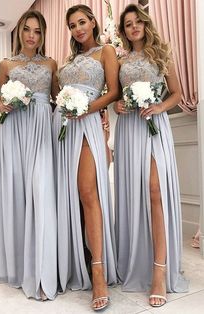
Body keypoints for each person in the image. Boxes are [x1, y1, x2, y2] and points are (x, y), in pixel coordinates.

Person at [114, 4, 189, 308]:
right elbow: (116, 96)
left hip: (154, 125)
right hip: (129, 129)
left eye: (137, 22)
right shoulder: (119, 61)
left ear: (145, 25)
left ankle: (159, 271)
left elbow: (177, 93)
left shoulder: (160, 55)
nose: (133, 27)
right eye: (128, 24)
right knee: (134, 195)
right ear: (123, 30)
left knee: (155, 191)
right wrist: (117, 106)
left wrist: (159, 107)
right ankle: (137, 261)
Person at [52, 4, 119, 311]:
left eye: (82, 22)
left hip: (88, 124)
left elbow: (114, 92)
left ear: (93, 22)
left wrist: (88, 109)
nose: (78, 28)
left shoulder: (105, 52)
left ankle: (99, 271)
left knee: (88, 192)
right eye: (72, 25)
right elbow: (56, 93)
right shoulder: (67, 62)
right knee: (71, 197)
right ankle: (77, 258)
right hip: (63, 128)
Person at [0, 10, 58, 301]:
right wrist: (2, 104)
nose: (32, 36)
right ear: (19, 32)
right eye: (27, 30)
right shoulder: (6, 64)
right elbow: (1, 99)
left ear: (43, 35)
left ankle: (43, 273)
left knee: (41, 194)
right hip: (15, 132)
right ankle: (19, 266)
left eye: (38, 31)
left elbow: (58, 98)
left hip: (43, 130)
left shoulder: (52, 63)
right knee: (18, 196)